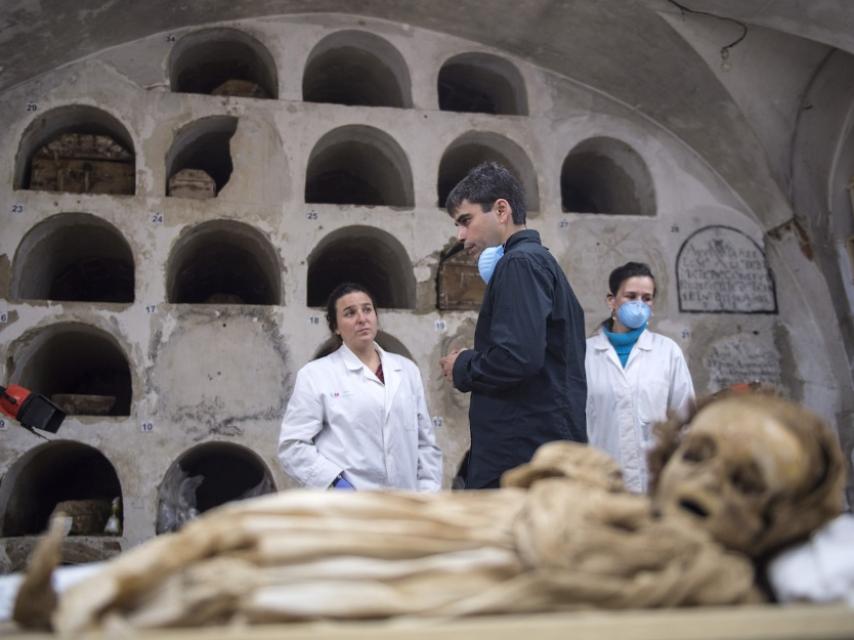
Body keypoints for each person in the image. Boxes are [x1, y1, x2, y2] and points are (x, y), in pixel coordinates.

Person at [439, 162, 587, 489]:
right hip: (535, 452)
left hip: (523, 460)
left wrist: (463, 365)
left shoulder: (520, 263)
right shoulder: (536, 262)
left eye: (466, 220)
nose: (460, 236)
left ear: (501, 210)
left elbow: (518, 357)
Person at [278, 282, 442, 491]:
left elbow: (425, 443)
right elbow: (292, 445)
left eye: (367, 310)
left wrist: (427, 496)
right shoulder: (316, 375)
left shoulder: (407, 370)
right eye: (350, 313)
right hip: (348, 510)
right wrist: (335, 483)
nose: (362, 319)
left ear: (376, 316)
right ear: (335, 326)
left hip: (404, 508)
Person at [585, 261, 695, 493]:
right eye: (630, 296)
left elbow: (686, 419)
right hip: (600, 480)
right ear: (612, 301)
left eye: (646, 298)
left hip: (655, 480)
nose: (639, 304)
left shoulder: (667, 351)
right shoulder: (586, 354)